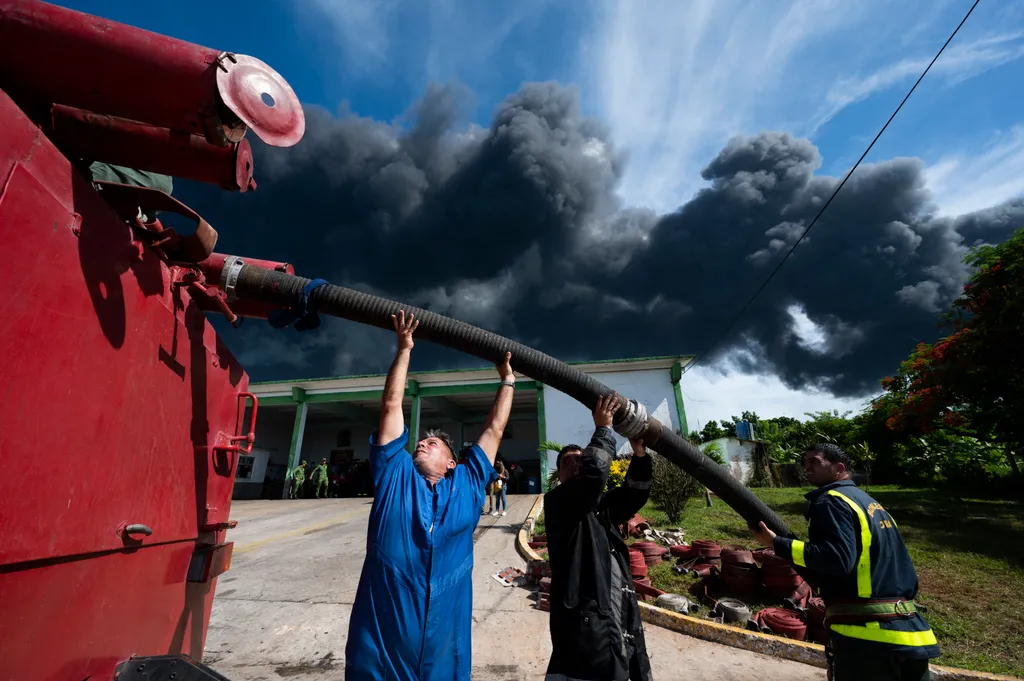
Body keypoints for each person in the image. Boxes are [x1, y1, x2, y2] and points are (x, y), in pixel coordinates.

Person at [345, 311, 515, 681]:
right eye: (421, 440)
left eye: (432, 442)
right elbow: (391, 406)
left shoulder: (468, 484)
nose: (421, 442)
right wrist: (404, 349)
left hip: (443, 652)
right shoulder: (395, 475)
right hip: (380, 652)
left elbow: (495, 428)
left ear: (452, 463)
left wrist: (508, 380)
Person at [752, 443, 940, 681]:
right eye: (805, 462)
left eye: (815, 462)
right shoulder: (869, 503)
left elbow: (837, 558)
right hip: (908, 633)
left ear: (839, 467)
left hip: (868, 639)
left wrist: (777, 544)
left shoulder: (831, 501)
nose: (806, 467)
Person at [543, 395, 654, 681]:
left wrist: (639, 454)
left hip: (615, 617)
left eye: (581, 458)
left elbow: (634, 494)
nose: (577, 463)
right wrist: (603, 430)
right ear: (559, 474)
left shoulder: (600, 506)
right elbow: (593, 479)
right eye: (569, 462)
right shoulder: (558, 502)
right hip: (585, 623)